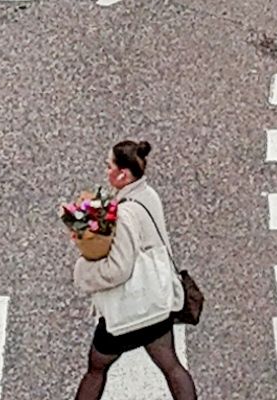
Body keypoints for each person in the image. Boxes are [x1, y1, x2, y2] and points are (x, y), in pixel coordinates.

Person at [70, 139, 192, 400]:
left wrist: (83, 271)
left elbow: (118, 269)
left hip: (131, 310)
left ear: (123, 174)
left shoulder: (125, 213)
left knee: (96, 367)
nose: (106, 171)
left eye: (109, 166)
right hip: (156, 304)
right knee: (172, 367)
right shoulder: (148, 195)